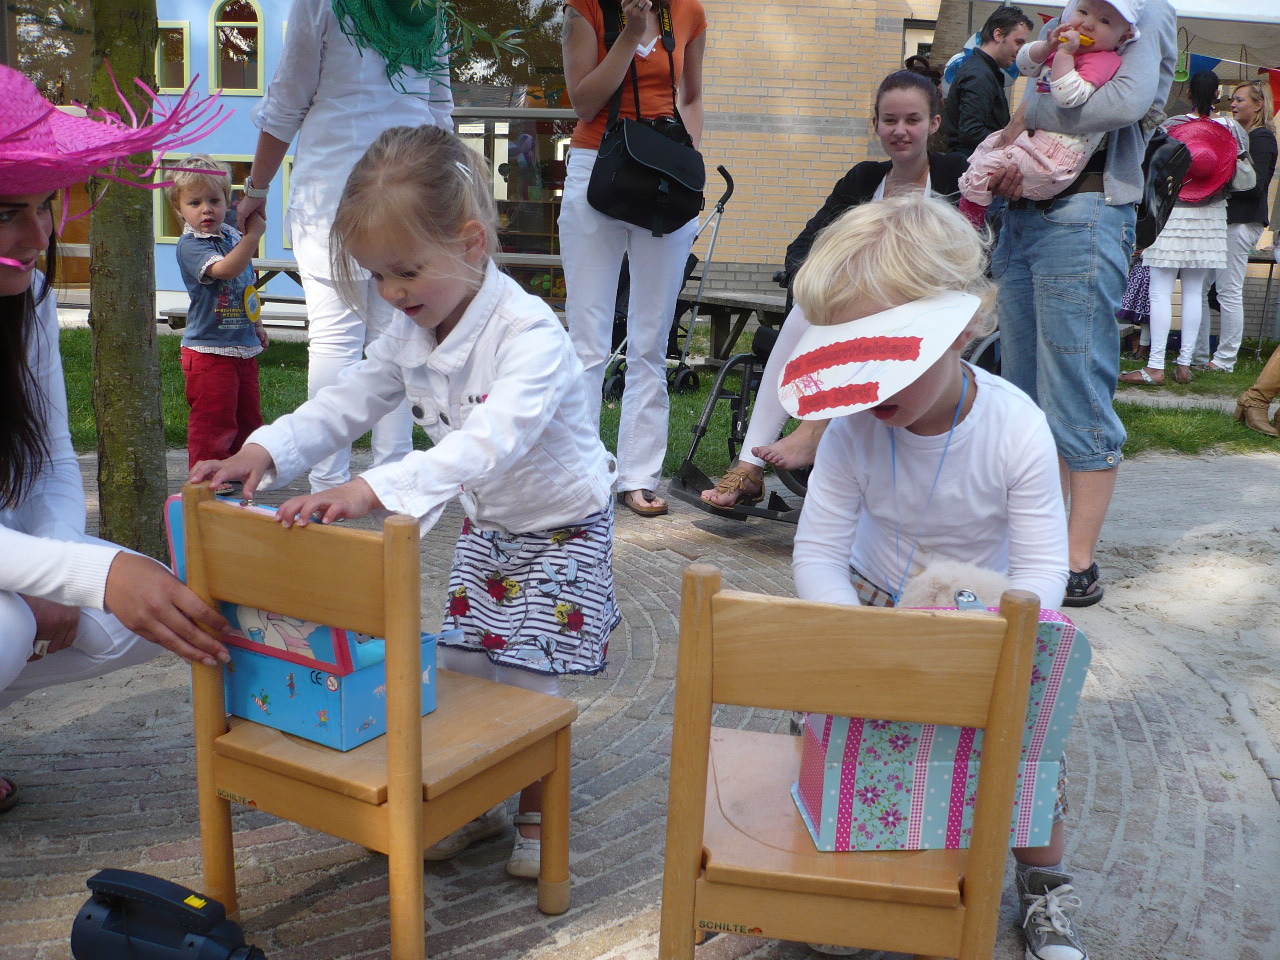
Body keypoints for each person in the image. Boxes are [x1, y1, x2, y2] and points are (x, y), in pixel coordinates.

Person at [190, 125, 619, 879]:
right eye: (377, 277)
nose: (391, 294)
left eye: (406, 273)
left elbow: (487, 443)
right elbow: (350, 396)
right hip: (492, 522)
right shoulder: (411, 326)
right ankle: (472, 797)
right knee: (458, 664)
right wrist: (267, 449)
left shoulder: (532, 337)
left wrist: (374, 487)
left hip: (563, 526)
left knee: (524, 672)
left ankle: (535, 815)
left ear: (472, 242)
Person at [788, 194, 1084, 960]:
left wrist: (995, 631)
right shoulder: (851, 432)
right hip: (872, 612)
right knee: (840, 747)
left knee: (1023, 765)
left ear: (962, 328)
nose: (869, 385)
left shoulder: (1016, 426)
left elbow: (1046, 564)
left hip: (985, 623)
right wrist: (854, 632)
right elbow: (818, 552)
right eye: (848, 356)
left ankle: (1044, 888)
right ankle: (839, 872)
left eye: (888, 355)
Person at [0, 66, 231, 813]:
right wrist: (75, 576)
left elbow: (52, 455)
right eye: (9, 213)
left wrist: (63, 569)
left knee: (151, 604)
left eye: (46, 206)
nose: (40, 236)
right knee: (11, 624)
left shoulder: (25, 293)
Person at [701, 70, 967, 508]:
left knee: (846, 312)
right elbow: (804, 246)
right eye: (889, 120)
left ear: (934, 124)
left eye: (913, 119)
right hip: (851, 307)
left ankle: (812, 432)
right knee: (808, 307)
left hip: (925, 313)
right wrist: (825, 277)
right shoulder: (863, 181)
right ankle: (749, 466)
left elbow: (969, 254)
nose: (900, 130)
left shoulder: (958, 174)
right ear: (876, 124)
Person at [987, 0, 1177, 609]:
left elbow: (1119, 105)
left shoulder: (1149, 10)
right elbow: (1032, 68)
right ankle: (1031, 543)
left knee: (1075, 385)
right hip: (1023, 213)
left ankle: (1076, 562)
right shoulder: (1069, 12)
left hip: (1087, 214)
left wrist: (1036, 106)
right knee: (1019, 390)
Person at [238, 0, 454, 493]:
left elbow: (287, 101)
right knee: (400, 339)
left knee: (335, 341)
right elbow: (440, 110)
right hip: (411, 189)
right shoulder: (427, 7)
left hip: (334, 188)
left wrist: (256, 188)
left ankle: (327, 482)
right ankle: (391, 480)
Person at [559, 0, 708, 518]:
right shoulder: (585, 8)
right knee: (588, 336)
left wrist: (687, 155)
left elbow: (691, 95)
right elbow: (583, 101)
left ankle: (638, 475)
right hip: (595, 168)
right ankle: (578, 471)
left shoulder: (688, 11)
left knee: (651, 337)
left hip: (663, 176)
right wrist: (629, 34)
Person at [1119, 70, 1247, 387]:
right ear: (1218, 94)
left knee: (1160, 292)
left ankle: (1154, 366)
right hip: (1212, 216)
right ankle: (1185, 364)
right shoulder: (1232, 128)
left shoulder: (1173, 127)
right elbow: (1241, 176)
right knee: (1193, 293)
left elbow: (1153, 167)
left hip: (1172, 212)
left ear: (1189, 93)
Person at [960, 0, 1137, 212]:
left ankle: (970, 225)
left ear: (1123, 38)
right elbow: (1025, 64)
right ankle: (974, 211)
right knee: (985, 150)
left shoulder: (1103, 60)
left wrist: (1064, 54)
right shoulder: (1066, 50)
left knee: (982, 169)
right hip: (1034, 142)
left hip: (1053, 157)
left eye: (1105, 21)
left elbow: (1068, 97)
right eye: (1082, 12)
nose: (1088, 24)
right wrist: (1046, 47)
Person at [169, 156, 270, 469]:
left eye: (214, 200)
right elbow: (226, 271)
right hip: (209, 351)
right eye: (194, 202)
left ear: (228, 201)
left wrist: (258, 324)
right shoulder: (192, 245)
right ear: (179, 209)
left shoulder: (232, 237)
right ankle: (208, 474)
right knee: (214, 419)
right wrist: (254, 237)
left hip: (242, 344)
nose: (206, 209)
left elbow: (245, 286)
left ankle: (242, 466)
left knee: (247, 416)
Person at [1195, 79, 1277, 375]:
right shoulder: (1241, 135)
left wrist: (1222, 173)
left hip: (1243, 221)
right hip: (1224, 219)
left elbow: (1254, 185)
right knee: (1201, 288)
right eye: (1232, 99)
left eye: (1240, 100)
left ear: (1258, 104)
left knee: (1227, 290)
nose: (1232, 104)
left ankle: (1225, 359)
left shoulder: (1263, 138)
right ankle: (1199, 352)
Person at [941, 5, 1033, 154]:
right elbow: (972, 133)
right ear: (998, 35)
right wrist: (1013, 143)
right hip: (970, 166)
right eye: (1018, 42)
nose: (1021, 50)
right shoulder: (979, 75)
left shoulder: (984, 71)